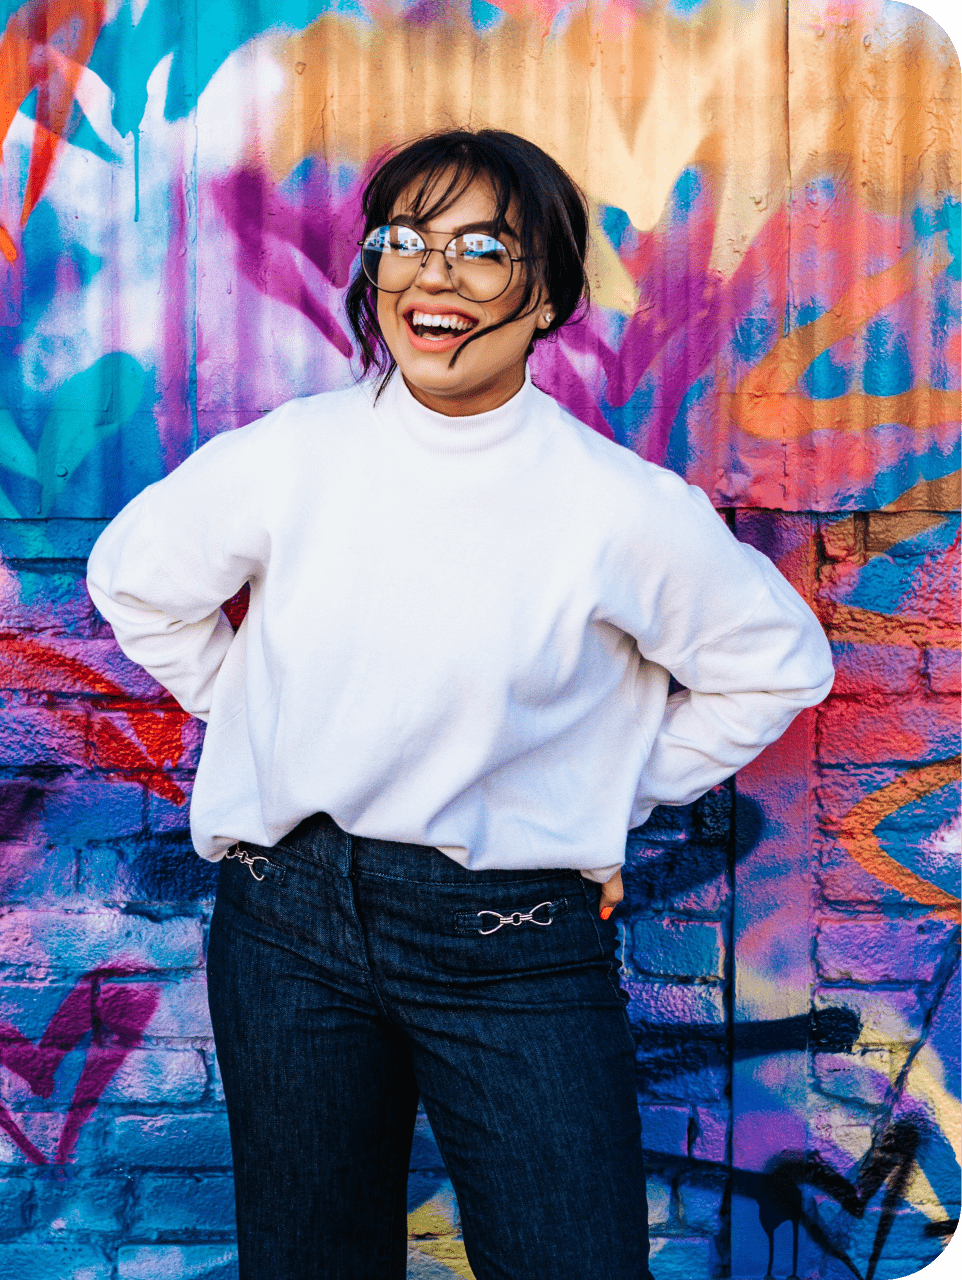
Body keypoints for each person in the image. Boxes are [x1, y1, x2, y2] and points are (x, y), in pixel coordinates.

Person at [86, 129, 834, 1280]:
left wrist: (607, 788)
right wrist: (255, 713)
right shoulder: (294, 456)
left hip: (512, 943)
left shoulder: (615, 506)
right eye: (404, 241)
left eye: (483, 250)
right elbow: (137, 580)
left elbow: (777, 664)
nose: (432, 276)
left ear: (546, 298)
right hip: (285, 926)